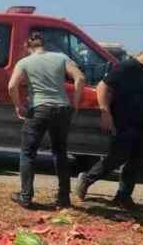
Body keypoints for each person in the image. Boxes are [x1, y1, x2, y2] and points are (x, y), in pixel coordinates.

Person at [76, 41, 143, 209]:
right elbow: (102, 86)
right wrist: (105, 112)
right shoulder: (127, 67)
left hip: (141, 123)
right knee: (118, 156)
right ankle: (88, 178)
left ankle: (124, 196)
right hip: (123, 120)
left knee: (138, 160)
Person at [7, 32, 85, 209]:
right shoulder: (61, 58)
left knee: (28, 153)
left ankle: (26, 196)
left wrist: (19, 106)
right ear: (45, 45)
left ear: (28, 48)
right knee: (60, 153)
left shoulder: (25, 62)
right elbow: (80, 78)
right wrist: (75, 102)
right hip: (62, 109)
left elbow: (12, 86)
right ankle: (64, 198)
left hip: (39, 109)